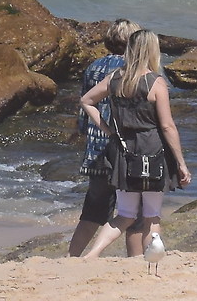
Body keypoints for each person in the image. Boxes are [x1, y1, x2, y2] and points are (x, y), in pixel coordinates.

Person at [76, 30, 190, 260]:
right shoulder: (156, 82)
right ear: (151, 50)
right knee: (151, 216)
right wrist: (181, 163)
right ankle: (147, 261)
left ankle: (92, 255)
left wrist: (107, 129)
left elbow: (86, 101)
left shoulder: (116, 78)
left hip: (122, 151)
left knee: (125, 214)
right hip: (152, 152)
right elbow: (167, 126)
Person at [69, 21, 139, 257]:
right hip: (125, 147)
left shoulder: (93, 67)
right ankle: (135, 260)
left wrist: (85, 132)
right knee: (134, 211)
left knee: (93, 211)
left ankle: (73, 256)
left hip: (96, 146)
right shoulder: (133, 68)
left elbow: (84, 108)